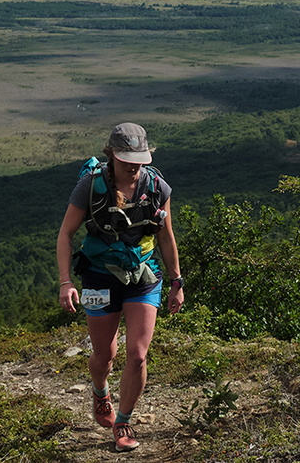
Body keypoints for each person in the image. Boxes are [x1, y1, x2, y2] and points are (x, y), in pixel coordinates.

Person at [57, 123, 184, 453]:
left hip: (143, 275)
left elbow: (166, 237)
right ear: (111, 154)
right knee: (105, 355)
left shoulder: (156, 185)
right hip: (99, 276)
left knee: (138, 355)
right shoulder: (90, 186)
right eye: (127, 158)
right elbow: (65, 235)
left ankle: (124, 419)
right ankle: (100, 390)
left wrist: (176, 281)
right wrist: (66, 282)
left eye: (139, 158)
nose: (134, 165)